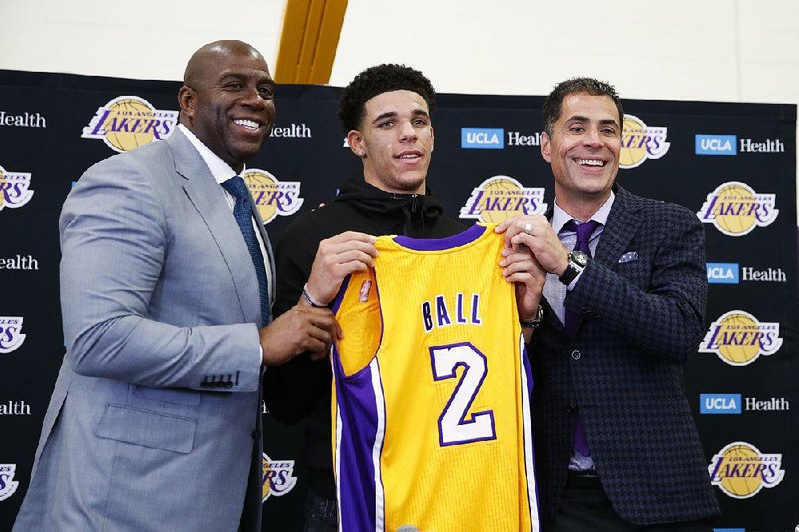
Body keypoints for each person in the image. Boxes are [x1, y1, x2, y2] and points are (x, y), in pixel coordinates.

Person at [13, 40, 339, 532]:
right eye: (234, 85)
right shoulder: (130, 181)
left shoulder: (236, 195)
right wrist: (257, 345)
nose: (256, 100)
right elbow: (100, 339)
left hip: (208, 492)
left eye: (266, 90)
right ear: (188, 101)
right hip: (124, 499)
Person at [264, 64, 544, 531]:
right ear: (357, 143)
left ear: (433, 135)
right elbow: (285, 402)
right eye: (387, 123)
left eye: (418, 121)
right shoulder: (314, 238)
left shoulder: (470, 242)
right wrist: (314, 298)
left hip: (461, 489)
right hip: (351, 490)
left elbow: (507, 374)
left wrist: (526, 318)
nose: (408, 135)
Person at [497, 77, 720, 530]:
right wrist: (528, 316)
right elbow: (498, 372)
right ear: (546, 145)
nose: (594, 142)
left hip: (657, 495)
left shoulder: (670, 226)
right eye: (577, 128)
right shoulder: (510, 245)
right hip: (552, 494)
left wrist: (569, 266)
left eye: (608, 129)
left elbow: (678, 332)